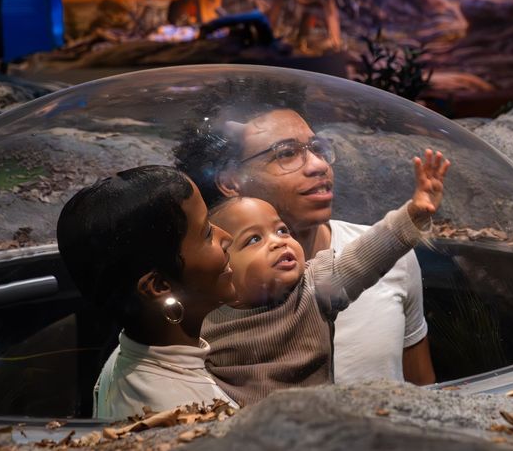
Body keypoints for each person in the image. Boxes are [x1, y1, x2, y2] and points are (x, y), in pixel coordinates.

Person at [174, 102, 437, 385]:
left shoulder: (392, 257)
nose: (319, 165)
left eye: (317, 149)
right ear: (230, 180)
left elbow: (423, 386)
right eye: (286, 154)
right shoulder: (203, 290)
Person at [202, 150, 449, 405]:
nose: (279, 242)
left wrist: (413, 215)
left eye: (281, 230)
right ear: (222, 265)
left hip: (317, 423)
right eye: (254, 239)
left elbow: (363, 257)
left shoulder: (313, 287)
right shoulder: (205, 316)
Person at [56, 165, 239, 420]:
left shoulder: (129, 353)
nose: (227, 237)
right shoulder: (184, 415)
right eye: (207, 232)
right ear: (159, 286)